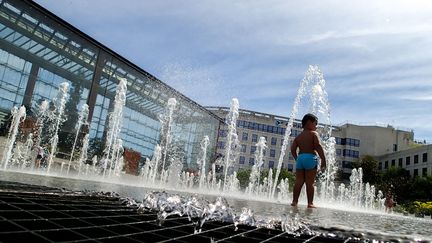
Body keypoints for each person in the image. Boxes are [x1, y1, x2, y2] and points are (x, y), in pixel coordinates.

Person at [290, 113, 326, 208]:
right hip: (311, 158)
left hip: (300, 159)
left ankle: (294, 201)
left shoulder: (299, 136)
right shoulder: (314, 134)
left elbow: (292, 149)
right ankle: (310, 203)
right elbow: (318, 146)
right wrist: (323, 159)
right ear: (309, 122)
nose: (316, 126)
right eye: (315, 123)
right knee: (310, 182)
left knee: (299, 181)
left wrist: (297, 158)